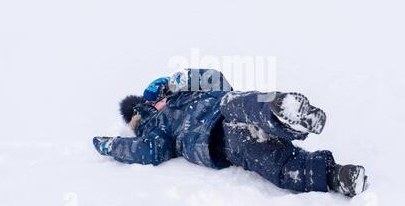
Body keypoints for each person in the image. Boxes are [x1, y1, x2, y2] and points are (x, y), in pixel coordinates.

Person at [93, 69, 367, 196]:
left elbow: (219, 80)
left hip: (230, 110)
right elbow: (149, 152)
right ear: (148, 107)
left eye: (165, 92)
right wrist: (112, 145)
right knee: (277, 164)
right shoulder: (157, 127)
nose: (163, 99)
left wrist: (185, 78)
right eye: (158, 98)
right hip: (221, 142)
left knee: (237, 102)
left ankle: (285, 113)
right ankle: (337, 176)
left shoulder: (194, 90)